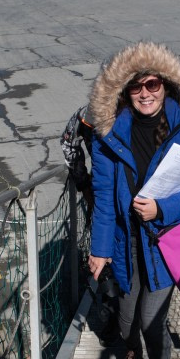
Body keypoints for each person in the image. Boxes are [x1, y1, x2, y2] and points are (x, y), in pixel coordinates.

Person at [86, 42, 180, 359]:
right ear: (125, 91)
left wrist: (162, 208)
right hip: (125, 245)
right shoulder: (108, 135)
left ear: (167, 86)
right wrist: (99, 248)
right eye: (136, 87)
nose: (145, 94)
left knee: (150, 319)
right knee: (126, 319)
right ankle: (130, 351)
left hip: (163, 243)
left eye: (153, 85)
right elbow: (105, 197)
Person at [61, 105, 121, 345]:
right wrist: (84, 184)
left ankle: (116, 321)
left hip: (112, 199)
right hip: (105, 198)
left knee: (112, 261)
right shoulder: (87, 116)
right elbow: (68, 143)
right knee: (107, 262)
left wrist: (84, 183)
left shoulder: (85, 114)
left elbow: (68, 144)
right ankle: (114, 319)